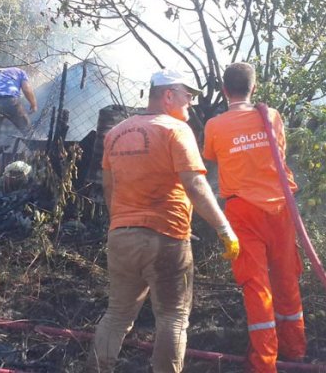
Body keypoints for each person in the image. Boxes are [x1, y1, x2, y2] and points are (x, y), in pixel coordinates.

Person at [87, 69, 240, 373]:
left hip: (121, 235)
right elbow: (194, 185)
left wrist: (121, 222)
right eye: (187, 95)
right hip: (166, 236)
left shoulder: (116, 133)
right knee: (172, 317)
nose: (191, 103)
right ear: (168, 95)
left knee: (117, 315)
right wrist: (225, 229)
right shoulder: (175, 129)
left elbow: (109, 186)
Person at [202, 62, 306, 372]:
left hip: (242, 210)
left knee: (256, 284)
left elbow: (211, 157)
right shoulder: (271, 116)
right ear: (254, 87)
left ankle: (264, 364)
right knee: (287, 277)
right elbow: (280, 153)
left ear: (223, 91)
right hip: (280, 208)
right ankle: (295, 349)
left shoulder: (214, 126)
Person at [0, 66, 38, 145]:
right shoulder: (21, 72)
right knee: (28, 131)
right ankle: (37, 152)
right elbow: (26, 88)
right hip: (11, 101)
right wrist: (33, 104)